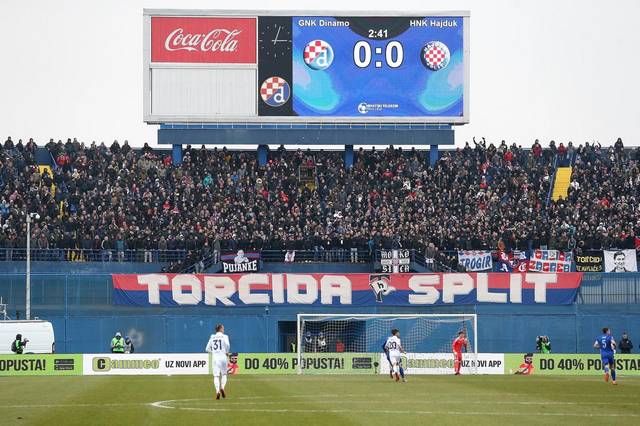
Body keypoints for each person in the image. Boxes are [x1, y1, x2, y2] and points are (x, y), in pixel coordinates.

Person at [206, 324, 231, 400]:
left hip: (215, 358)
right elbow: (227, 345)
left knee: (216, 376)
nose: (223, 329)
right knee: (224, 374)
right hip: (223, 357)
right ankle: (222, 387)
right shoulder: (225, 336)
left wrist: (214, 352)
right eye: (223, 328)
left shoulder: (212, 337)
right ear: (220, 329)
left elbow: (207, 349)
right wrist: (226, 352)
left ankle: (217, 391)